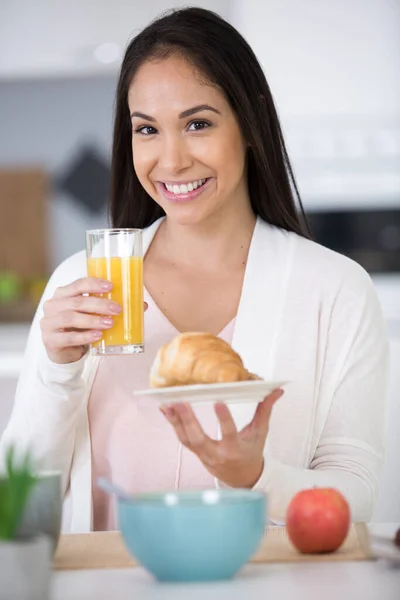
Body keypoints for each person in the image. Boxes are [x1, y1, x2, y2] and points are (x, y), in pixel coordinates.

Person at [0, 7, 389, 532]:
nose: (172, 160)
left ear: (249, 123)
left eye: (198, 124)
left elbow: (357, 494)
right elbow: (18, 501)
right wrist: (56, 370)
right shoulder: (83, 283)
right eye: (147, 129)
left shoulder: (335, 289)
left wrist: (258, 476)